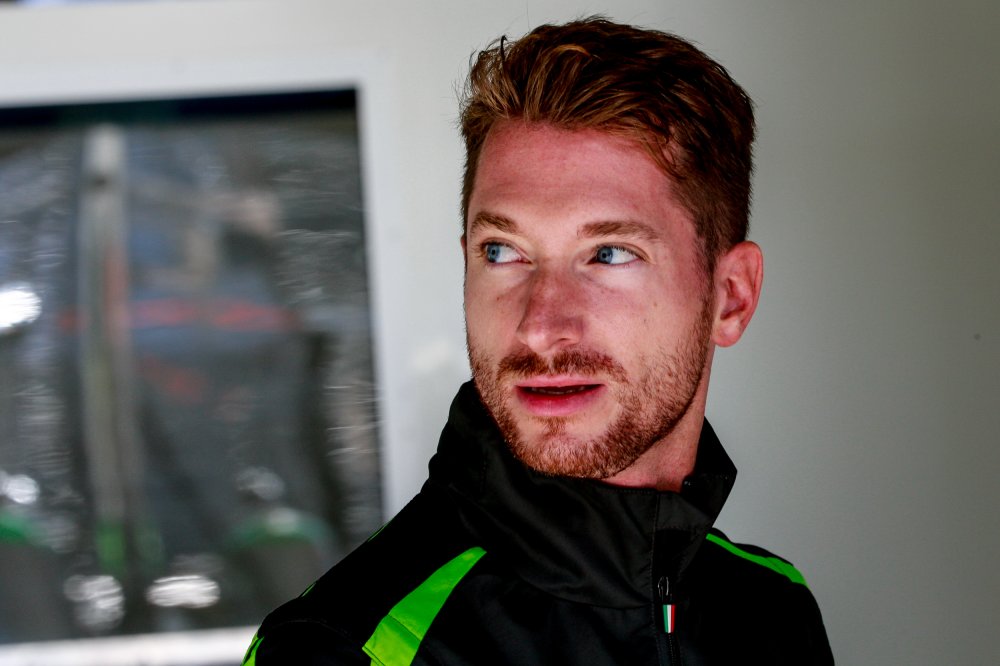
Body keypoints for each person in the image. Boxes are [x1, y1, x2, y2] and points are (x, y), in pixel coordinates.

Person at [243, 16, 833, 665]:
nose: (540, 325)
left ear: (732, 296)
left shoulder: (774, 611)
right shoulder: (339, 649)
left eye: (609, 253)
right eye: (503, 251)